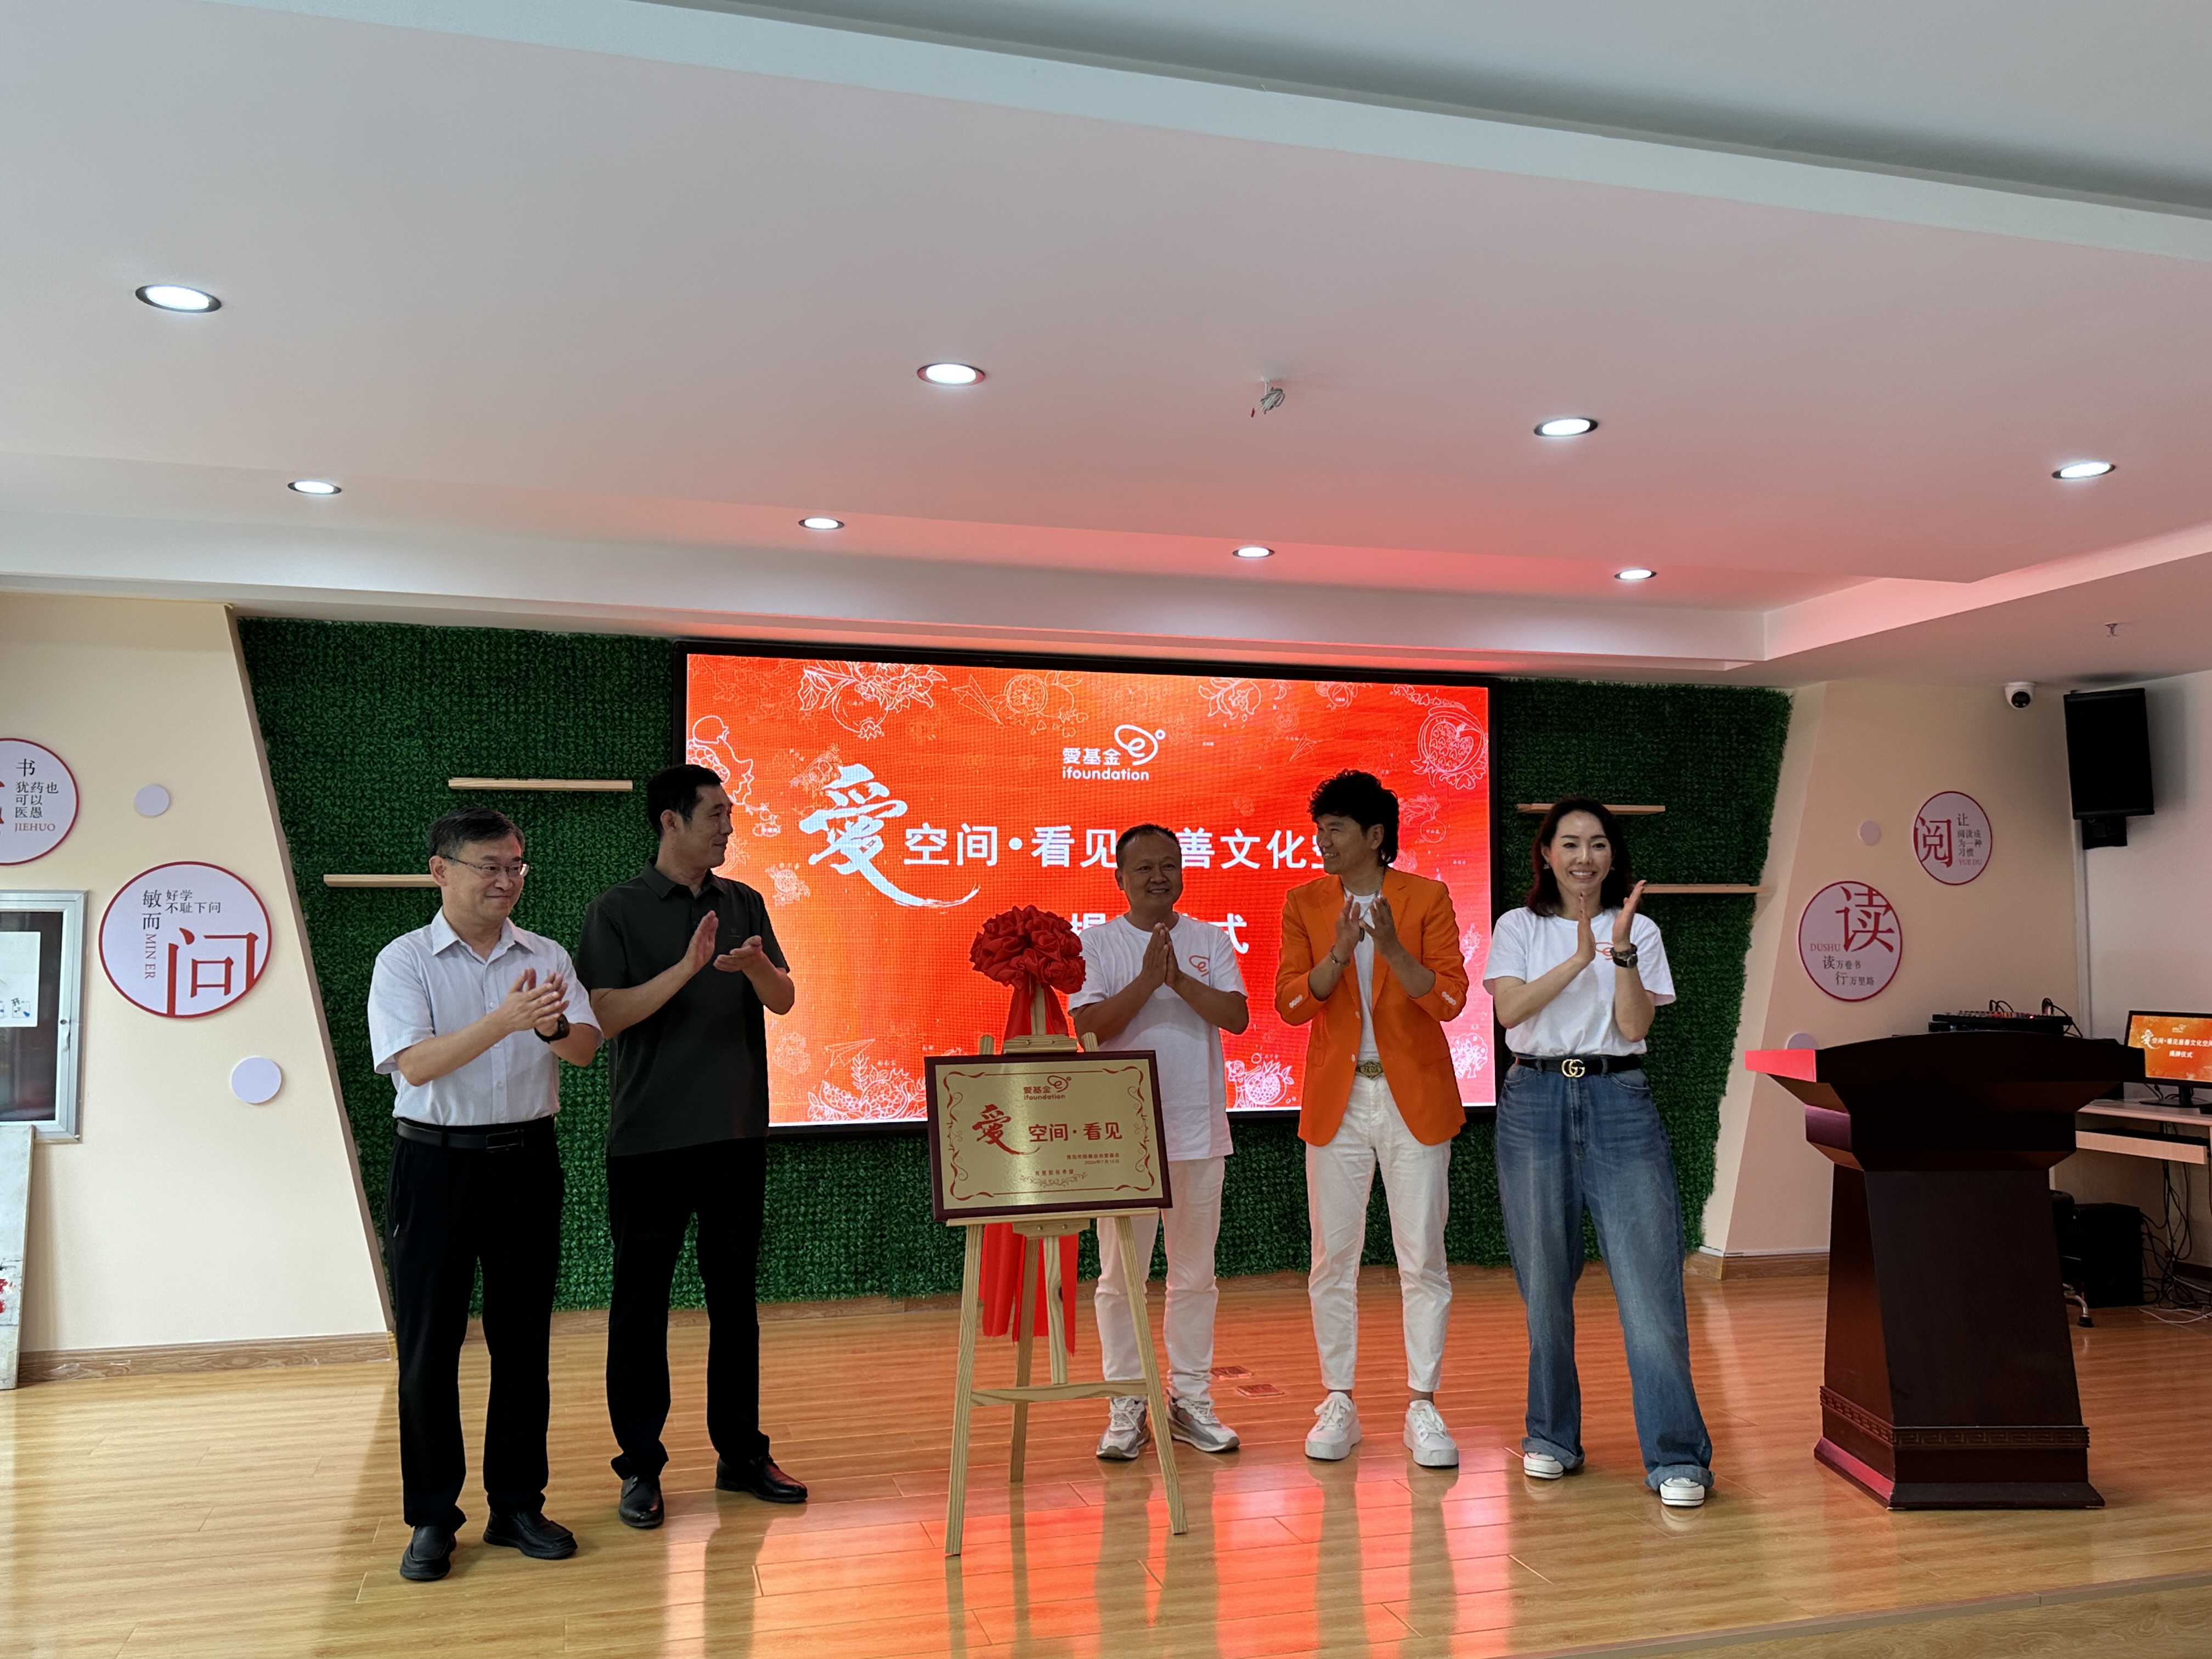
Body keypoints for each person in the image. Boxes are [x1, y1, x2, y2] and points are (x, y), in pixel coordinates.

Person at [366, 806, 601, 1583]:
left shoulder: (547, 955)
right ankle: (433, 1517)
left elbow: (584, 1050)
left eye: (515, 867)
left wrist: (548, 1028)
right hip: (434, 1165)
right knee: (429, 1347)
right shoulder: (405, 960)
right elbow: (416, 1064)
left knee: (523, 1342)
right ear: (441, 870)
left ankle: (517, 1504)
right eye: (489, 867)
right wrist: (504, 1020)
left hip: (526, 1164)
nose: (506, 881)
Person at [577, 764, 802, 1530]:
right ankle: (640, 1466)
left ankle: (742, 1455)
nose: (727, 828)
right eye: (714, 815)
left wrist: (756, 965)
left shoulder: (744, 902)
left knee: (735, 1302)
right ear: (669, 822)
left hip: (736, 1134)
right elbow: (605, 1016)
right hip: (650, 1140)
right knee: (641, 1307)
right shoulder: (617, 910)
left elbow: (783, 1000)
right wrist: (686, 969)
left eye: (730, 814)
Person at [1481, 797, 1713, 1509]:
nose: (1585, 857)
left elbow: (1634, 1024)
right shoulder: (1517, 927)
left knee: (1649, 1287)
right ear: (1546, 854)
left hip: (1619, 1099)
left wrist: (1618, 952)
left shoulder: (1639, 928)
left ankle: (1677, 1456)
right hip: (1534, 1100)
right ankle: (1551, 1436)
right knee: (1545, 1284)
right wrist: (1579, 958)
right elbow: (1511, 1010)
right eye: (1571, 843)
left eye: (1599, 844)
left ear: (1613, 857)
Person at [1274, 770, 1472, 1469]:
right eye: (1319, 830)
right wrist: (1338, 951)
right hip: (1339, 1103)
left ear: (1375, 835)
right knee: (1333, 1259)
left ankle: (1423, 1403)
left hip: (1412, 1097)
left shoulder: (1426, 898)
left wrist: (1389, 947)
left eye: (1334, 830)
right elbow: (1291, 1005)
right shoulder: (1305, 902)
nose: (1322, 842)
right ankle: (1339, 1399)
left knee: (1422, 1257)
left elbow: (1449, 1000)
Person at [1071, 824, 1251, 1460]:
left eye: (1169, 865)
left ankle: (1189, 1401)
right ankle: (1127, 1404)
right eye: (1145, 867)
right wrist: (1148, 980)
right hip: (1120, 1141)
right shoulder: (1095, 944)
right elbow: (1088, 1032)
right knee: (1119, 1280)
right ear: (1120, 878)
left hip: (1198, 1132)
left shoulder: (1209, 940)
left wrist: (1176, 979)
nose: (1159, 877)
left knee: (1195, 1276)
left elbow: (1236, 1017)